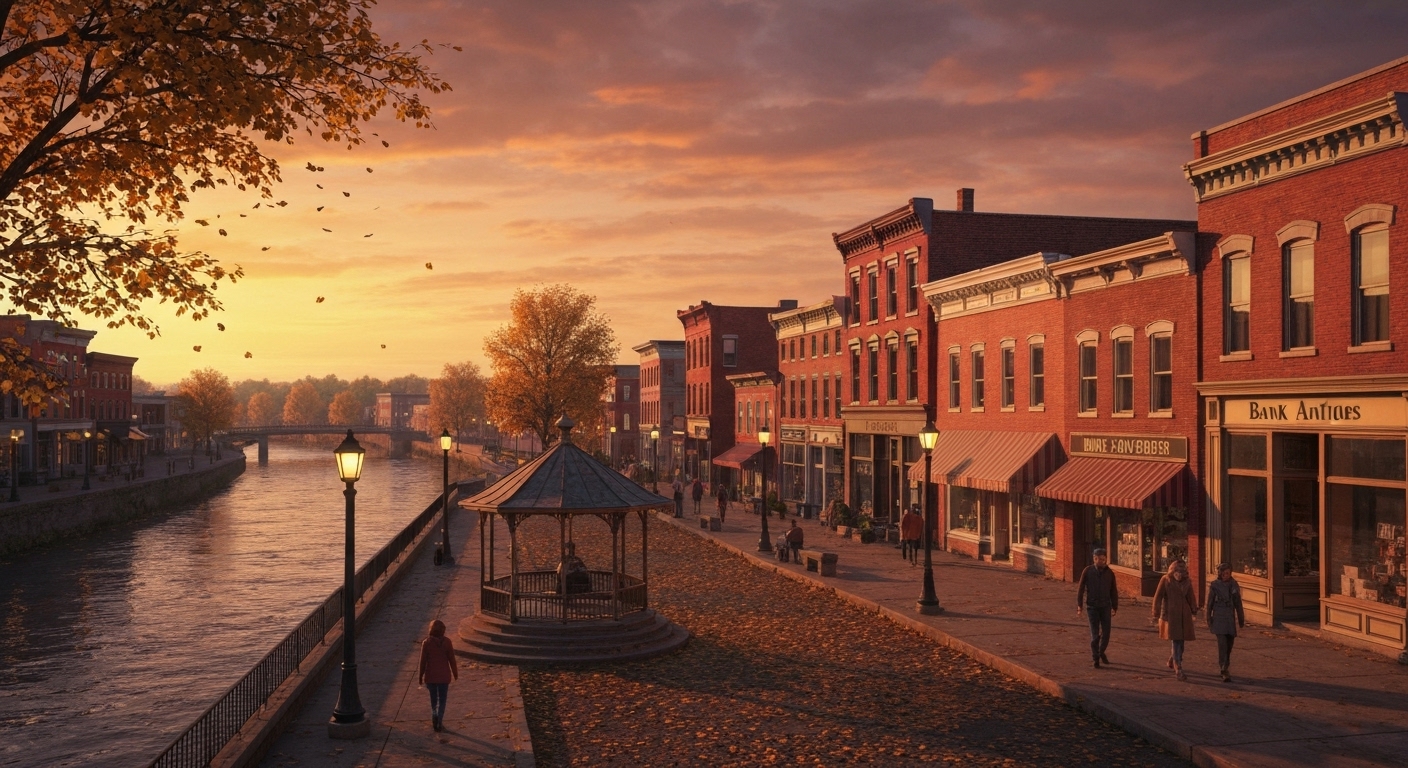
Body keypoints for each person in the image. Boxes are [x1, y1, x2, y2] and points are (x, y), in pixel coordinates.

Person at [1152, 559, 1199, 681]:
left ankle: (1173, 659)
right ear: (1172, 571)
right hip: (1170, 615)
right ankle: (1178, 666)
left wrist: (1194, 608)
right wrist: (1156, 612)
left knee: (1181, 642)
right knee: (1176, 640)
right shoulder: (1166, 580)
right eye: (1177, 572)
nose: (1179, 575)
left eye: (1182, 572)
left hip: (1184, 615)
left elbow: (1191, 596)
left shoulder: (1187, 582)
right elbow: (1158, 596)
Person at [1076, 548, 1118, 669]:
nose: (1100, 561)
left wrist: (1114, 606)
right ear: (1094, 559)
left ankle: (1101, 651)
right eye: (1097, 559)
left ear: (1105, 559)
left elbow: (1113, 591)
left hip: (1105, 606)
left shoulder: (1110, 573)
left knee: (1106, 632)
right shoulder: (1087, 571)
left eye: (1102, 559)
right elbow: (1080, 588)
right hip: (1092, 607)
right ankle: (1096, 657)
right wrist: (1080, 605)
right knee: (1095, 634)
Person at [1206, 562, 1245, 682]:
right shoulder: (1215, 585)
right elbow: (1209, 604)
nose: (1226, 575)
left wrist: (1241, 618)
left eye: (1228, 573)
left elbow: (1238, 602)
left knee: (1229, 644)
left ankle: (1226, 664)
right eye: (1224, 573)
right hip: (1219, 618)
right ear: (1220, 573)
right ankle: (1223, 668)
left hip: (1229, 618)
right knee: (1222, 644)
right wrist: (1208, 619)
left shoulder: (1233, 585)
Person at [418, 619, 458, 732]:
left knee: (434, 700)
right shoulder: (447, 642)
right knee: (442, 700)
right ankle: (439, 720)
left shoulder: (426, 643)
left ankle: (434, 714)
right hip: (444, 676)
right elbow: (452, 660)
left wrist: (420, 675)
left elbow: (423, 661)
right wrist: (455, 673)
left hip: (430, 676)